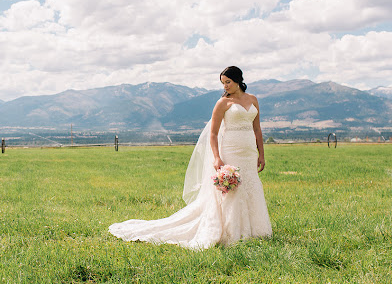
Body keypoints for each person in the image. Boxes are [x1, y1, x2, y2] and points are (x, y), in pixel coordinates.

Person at [109, 66, 272, 250]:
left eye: (228, 82)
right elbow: (213, 133)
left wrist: (261, 154)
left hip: (249, 152)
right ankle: (232, 232)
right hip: (230, 150)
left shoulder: (253, 100)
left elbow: (257, 129)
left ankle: (255, 231)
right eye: (223, 83)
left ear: (238, 80)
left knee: (251, 184)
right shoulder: (222, 103)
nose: (225, 86)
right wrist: (217, 158)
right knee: (233, 190)